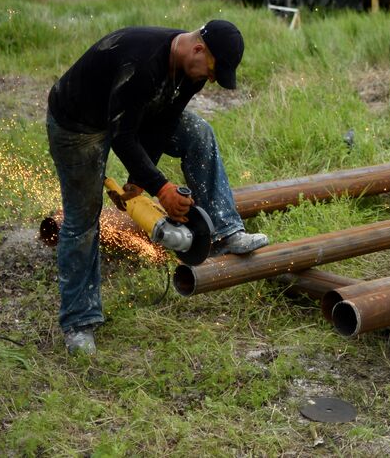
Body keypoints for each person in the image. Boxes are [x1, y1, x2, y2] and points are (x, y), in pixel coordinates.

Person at [46, 20, 268, 356]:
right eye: (212, 70)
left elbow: (165, 121)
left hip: (130, 112)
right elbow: (122, 137)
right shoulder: (143, 62)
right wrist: (162, 188)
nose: (210, 79)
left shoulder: (191, 72)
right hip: (79, 124)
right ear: (198, 49)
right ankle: (79, 321)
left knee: (198, 133)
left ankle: (225, 232)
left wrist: (140, 179)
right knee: (83, 218)